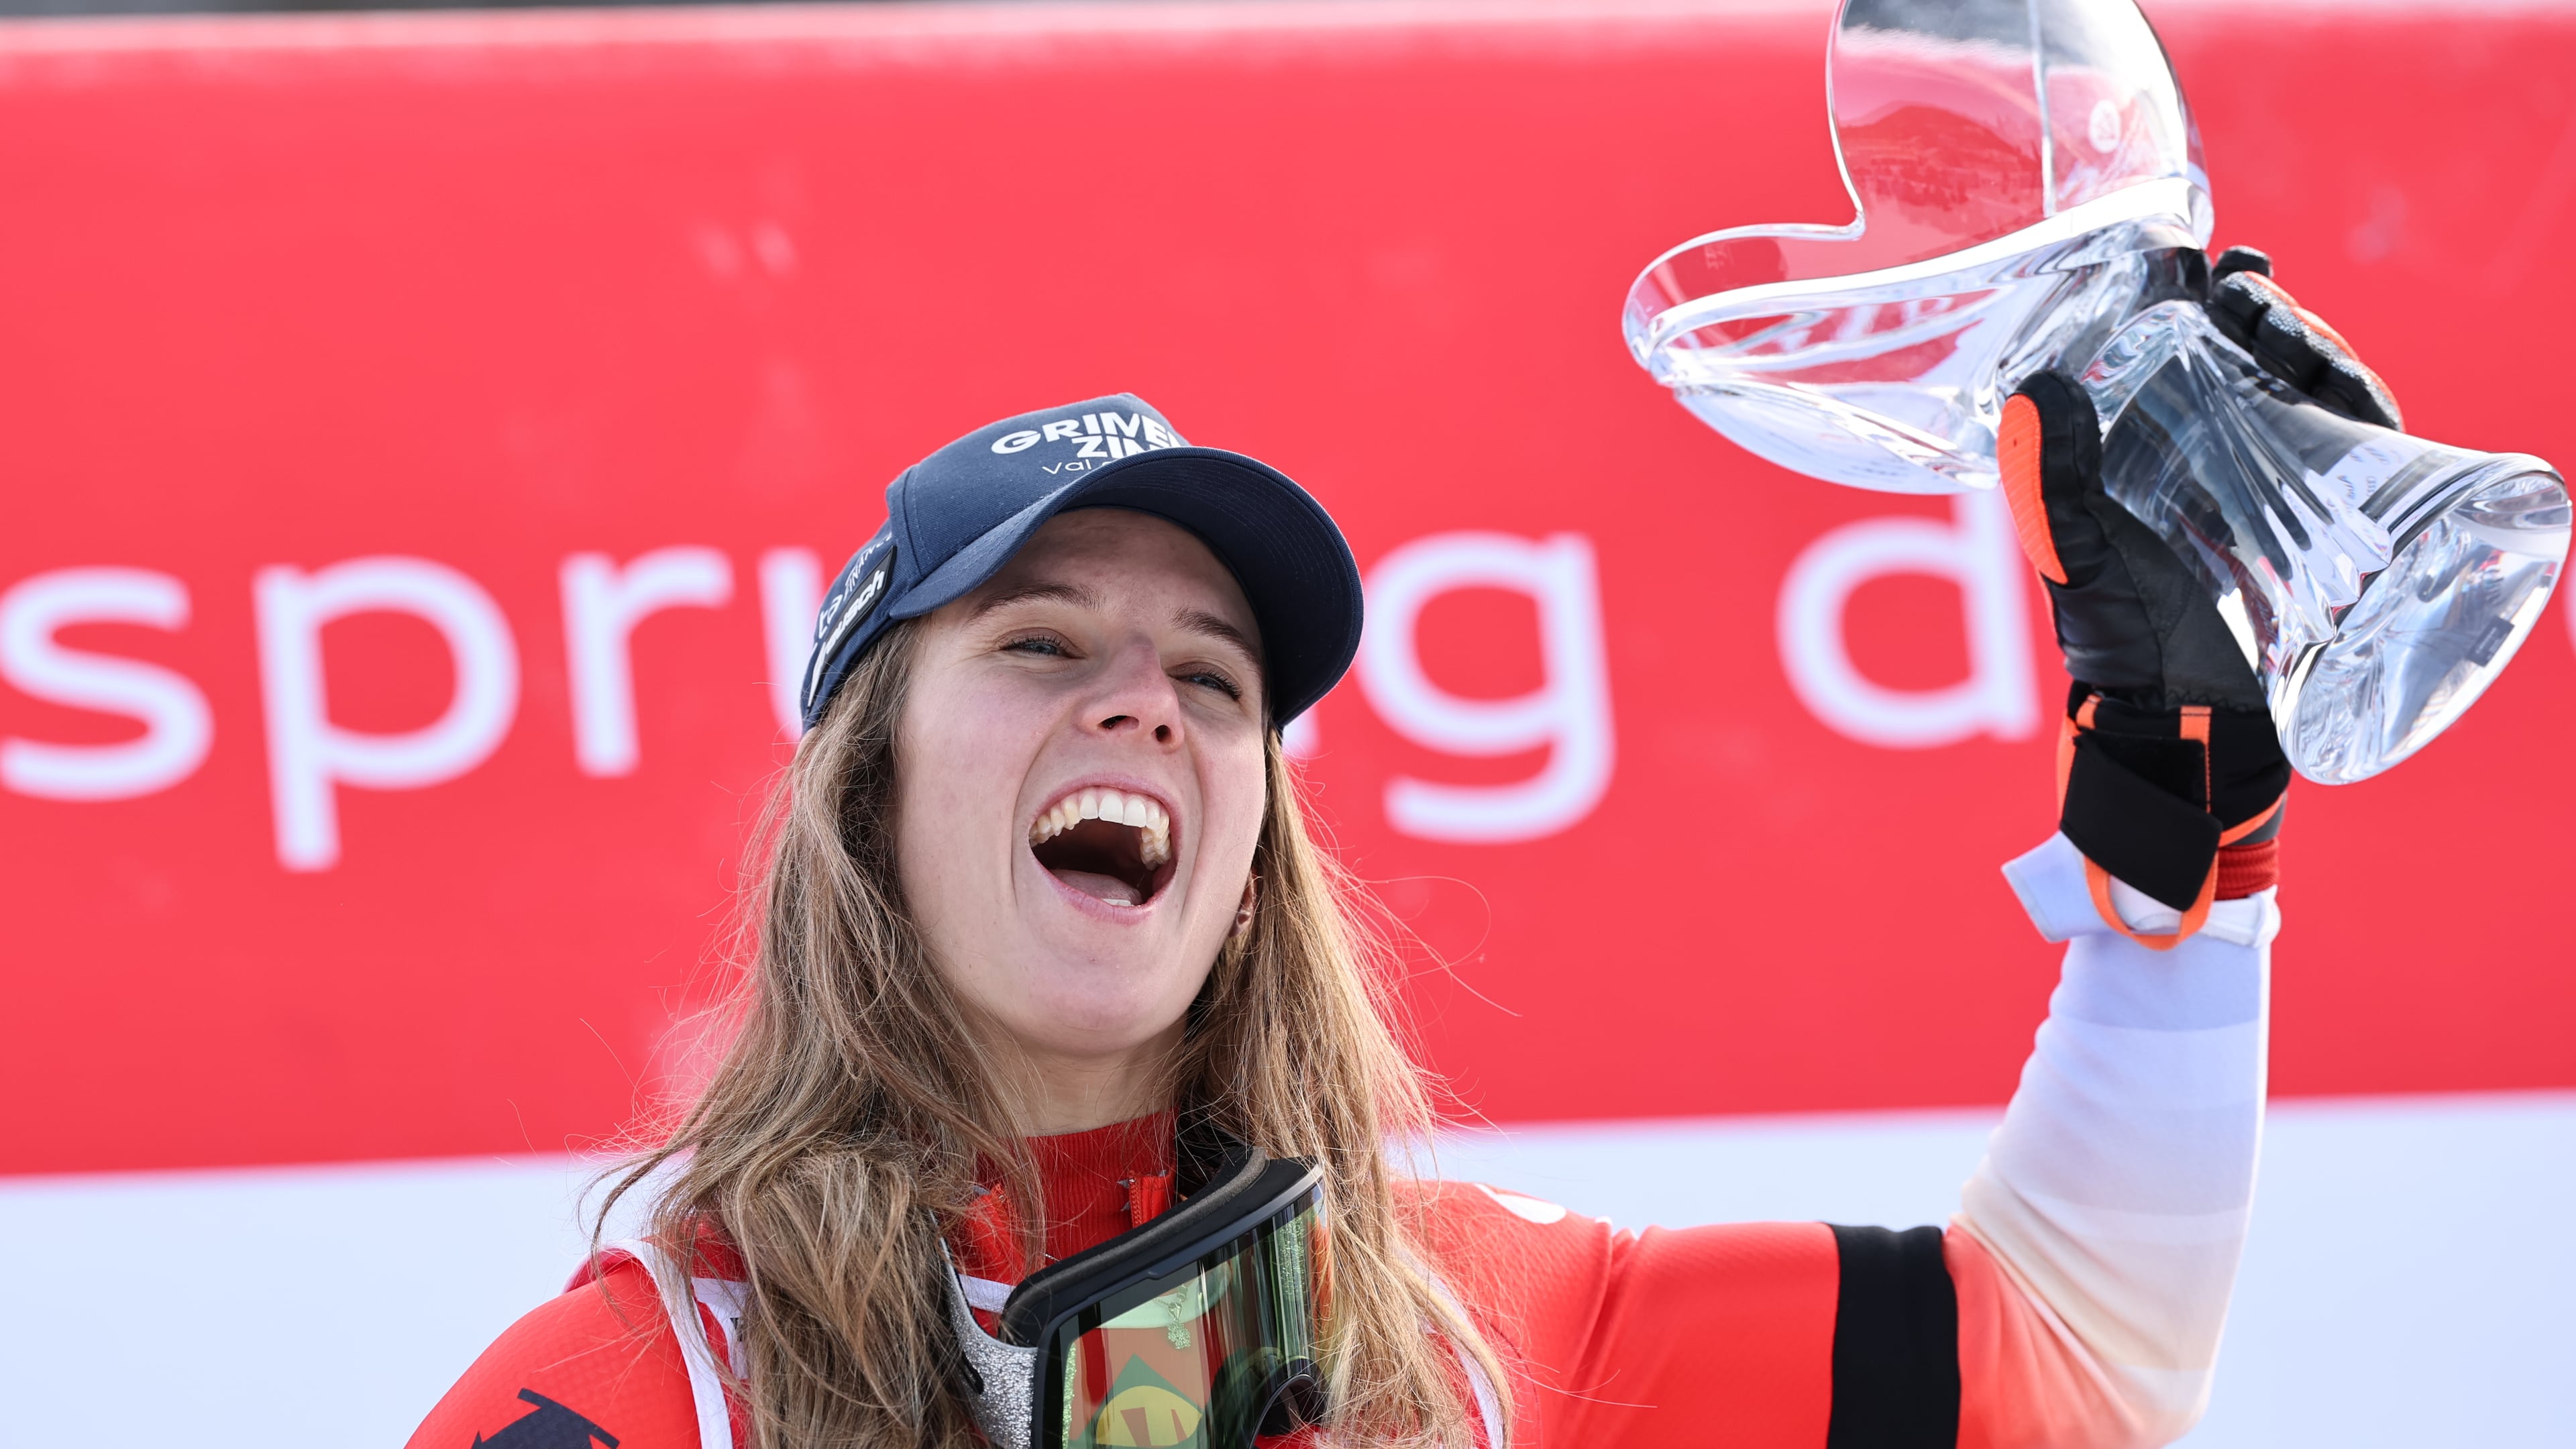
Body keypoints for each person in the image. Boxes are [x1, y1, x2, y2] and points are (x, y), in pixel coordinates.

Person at [409, 248, 2377, 1449]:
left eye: (1213, 676)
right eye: (1040, 644)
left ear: (1253, 851)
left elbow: (2081, 1356)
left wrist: (2175, 800)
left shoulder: (1479, 1339)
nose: (1144, 704)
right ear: (866, 800)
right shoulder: (646, 1394)